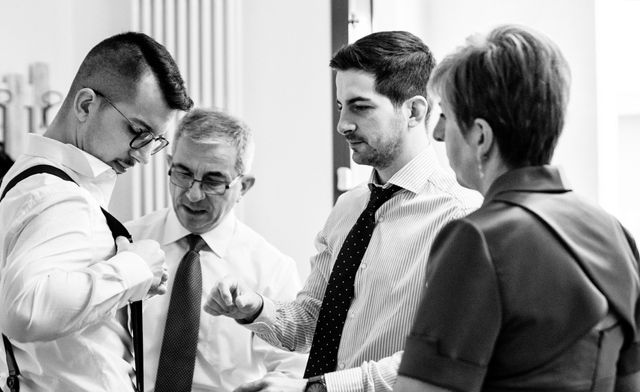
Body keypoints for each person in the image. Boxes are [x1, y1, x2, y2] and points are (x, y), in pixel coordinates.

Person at [205, 31, 481, 392]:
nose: (343, 125)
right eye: (341, 107)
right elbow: (311, 321)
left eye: (360, 107)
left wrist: (319, 390)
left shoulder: (459, 216)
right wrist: (253, 307)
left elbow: (437, 360)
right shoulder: (348, 208)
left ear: (414, 111)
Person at [394, 24, 640, 392]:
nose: (438, 135)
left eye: (445, 117)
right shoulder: (615, 233)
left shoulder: (476, 239)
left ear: (480, 135)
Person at [0, 32, 193, 392]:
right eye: (138, 131)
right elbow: (24, 310)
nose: (143, 155)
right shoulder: (60, 197)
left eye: (155, 141)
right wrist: (136, 268)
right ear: (86, 105)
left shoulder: (24, 181)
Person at [126, 107, 307, 391]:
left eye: (212, 181)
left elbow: (294, 368)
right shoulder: (128, 242)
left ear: (243, 186)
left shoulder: (272, 269)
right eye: (183, 174)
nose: (193, 194)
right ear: (170, 164)